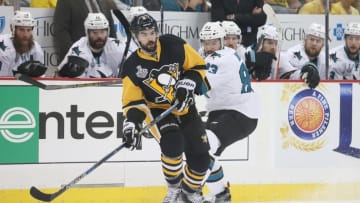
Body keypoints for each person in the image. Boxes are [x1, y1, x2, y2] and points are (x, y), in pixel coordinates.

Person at [121, 13, 211, 202]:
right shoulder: (131, 66)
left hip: (185, 107)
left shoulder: (173, 44)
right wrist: (132, 122)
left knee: (202, 160)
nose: (150, 38)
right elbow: (133, 102)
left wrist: (188, 84)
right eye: (144, 34)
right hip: (158, 111)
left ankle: (188, 193)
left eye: (152, 32)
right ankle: (174, 189)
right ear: (136, 37)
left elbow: (197, 66)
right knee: (173, 143)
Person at [197, 21, 259, 203]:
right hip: (221, 112)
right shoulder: (208, 56)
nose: (209, 47)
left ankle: (190, 192)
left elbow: (200, 86)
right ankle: (221, 195)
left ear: (221, 42)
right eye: (206, 43)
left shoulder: (222, 58)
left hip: (240, 113)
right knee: (205, 152)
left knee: (204, 146)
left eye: (214, 42)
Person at [56, 12, 126, 78]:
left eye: (102, 32)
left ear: (108, 31)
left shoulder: (117, 46)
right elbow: (61, 77)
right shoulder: (79, 49)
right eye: (95, 32)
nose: (99, 36)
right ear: (87, 32)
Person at [53, 0, 118, 63]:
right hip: (79, 62)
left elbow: (111, 29)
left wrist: (114, 54)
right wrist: (74, 57)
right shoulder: (66, 1)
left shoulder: (104, 2)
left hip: (104, 62)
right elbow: (61, 32)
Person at [278, 22, 326, 89]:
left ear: (323, 45)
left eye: (318, 41)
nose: (314, 43)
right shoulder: (291, 54)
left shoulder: (326, 59)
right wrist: (302, 75)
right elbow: (284, 76)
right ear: (305, 39)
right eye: (311, 39)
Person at [0, 11, 47, 77]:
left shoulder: (36, 49)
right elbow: (3, 81)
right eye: (21, 30)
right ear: (12, 29)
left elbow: (40, 78)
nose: (25, 35)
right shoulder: (4, 49)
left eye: (29, 30)